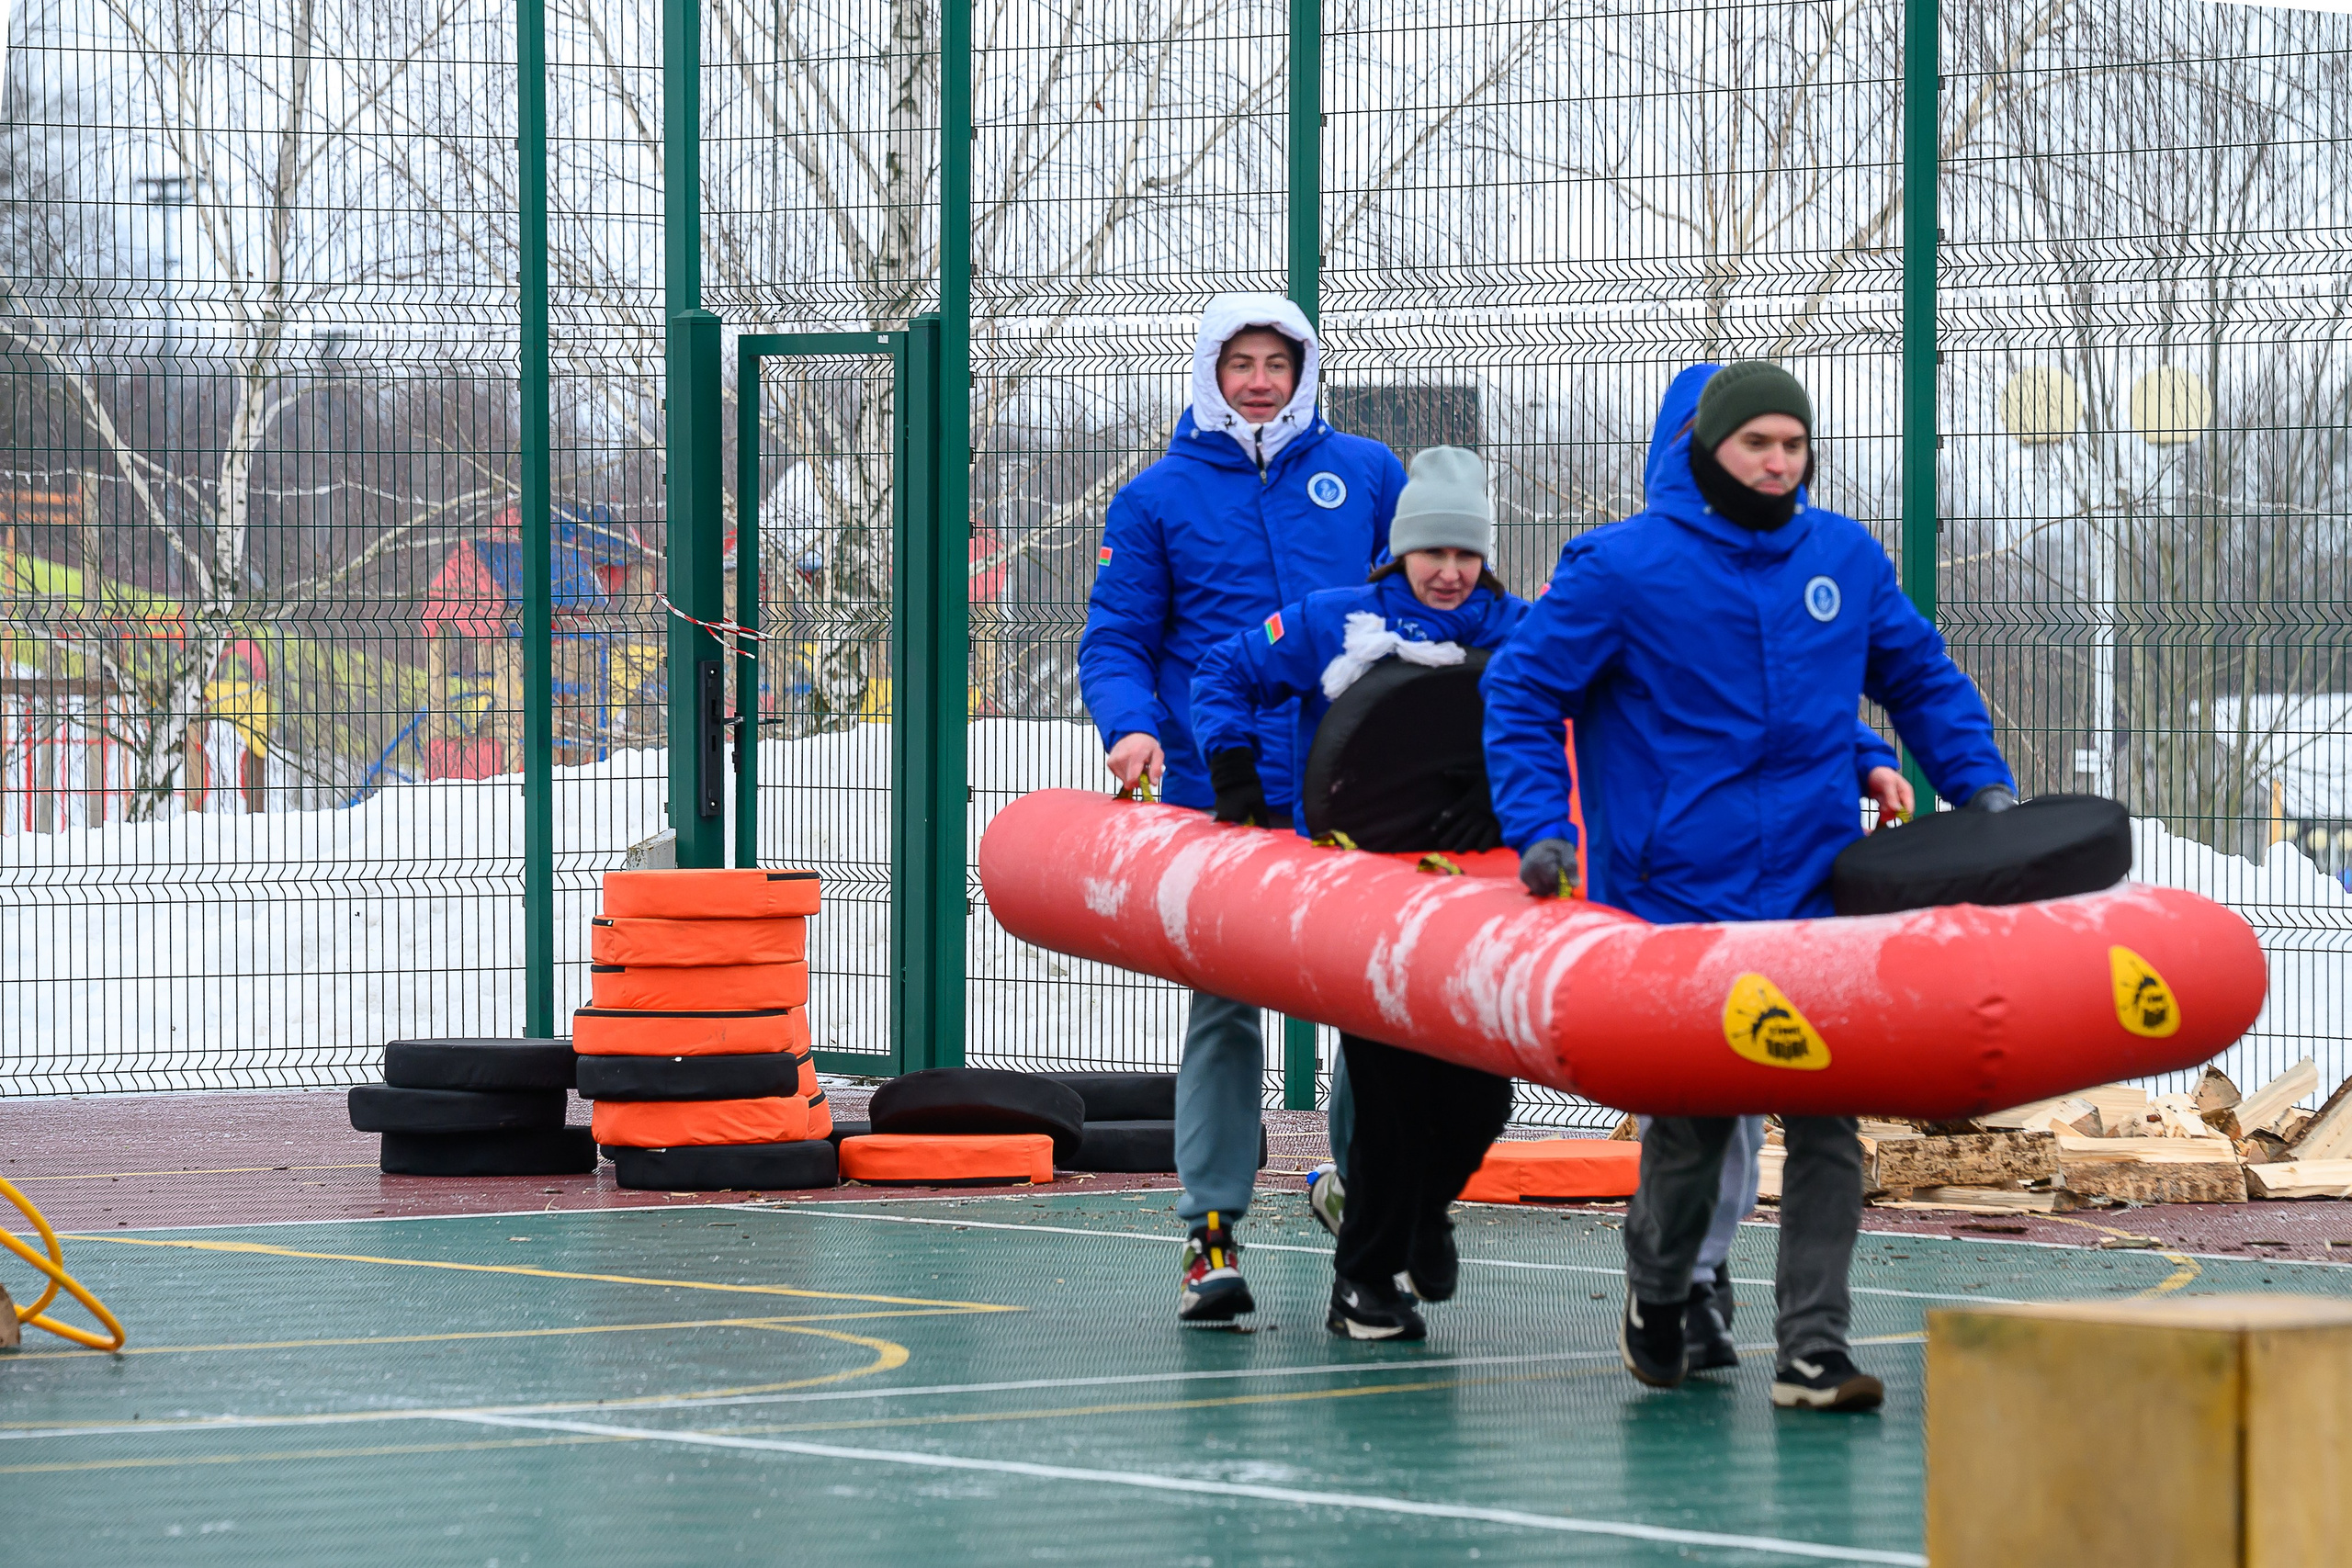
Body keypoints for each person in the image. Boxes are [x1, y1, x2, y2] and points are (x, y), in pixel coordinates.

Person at [1481, 360, 2016, 1409]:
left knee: (1827, 1124)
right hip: (1681, 900)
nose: (1778, 463)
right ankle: (1658, 1283)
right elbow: (1520, 690)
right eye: (1755, 443)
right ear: (1706, 447)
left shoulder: (1842, 558)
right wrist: (1541, 830)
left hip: (1817, 891)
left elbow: (1917, 676)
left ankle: (1813, 1349)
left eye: (1793, 443)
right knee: (1697, 1131)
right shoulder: (1622, 569)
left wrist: (1983, 790)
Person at [1079, 292, 1407, 1324]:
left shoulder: (1367, 476)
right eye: (1241, 362)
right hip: (1217, 791)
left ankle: (1367, 1200)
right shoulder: (1155, 498)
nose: (1260, 379)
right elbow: (1116, 641)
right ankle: (1210, 1231)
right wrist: (1129, 723)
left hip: (1355, 785)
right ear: (1209, 374)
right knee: (1225, 1007)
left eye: (1278, 361)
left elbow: (1422, 604)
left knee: (1369, 1006)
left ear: (1306, 370)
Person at [1193, 446, 1530, 1340]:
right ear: (1399, 552)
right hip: (1363, 895)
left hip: (1477, 901)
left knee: (1481, 1098)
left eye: (1465, 555)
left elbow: (1616, 697)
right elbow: (1223, 671)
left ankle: (1421, 1214)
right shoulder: (1337, 619)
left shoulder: (1520, 630)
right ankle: (1363, 1284)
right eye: (1432, 554)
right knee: (1388, 1092)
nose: (1450, 573)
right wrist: (1235, 776)